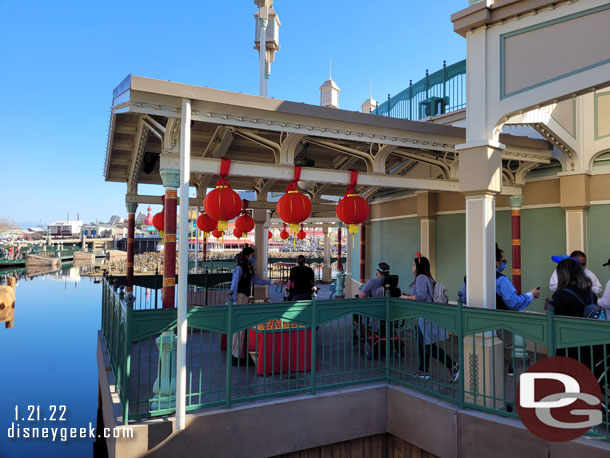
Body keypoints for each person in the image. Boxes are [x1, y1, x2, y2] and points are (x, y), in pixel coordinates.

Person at [460, 244, 540, 376]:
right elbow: (514, 303)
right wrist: (531, 294)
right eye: (503, 261)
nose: (504, 264)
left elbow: (463, 298)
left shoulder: (468, 277)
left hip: (475, 323)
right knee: (503, 352)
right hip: (500, 324)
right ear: (495, 261)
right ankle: (499, 377)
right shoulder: (501, 280)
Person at [401, 255, 458, 382]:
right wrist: (410, 295)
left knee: (428, 347)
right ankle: (423, 371)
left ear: (418, 266)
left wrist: (405, 297)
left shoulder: (421, 277)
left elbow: (421, 296)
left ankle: (453, 365)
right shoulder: (426, 278)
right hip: (425, 316)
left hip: (426, 316)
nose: (412, 266)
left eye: (413, 264)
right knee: (423, 345)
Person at [229, 246, 280, 366]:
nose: (254, 258)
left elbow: (257, 280)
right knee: (239, 328)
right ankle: (235, 356)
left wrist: (272, 282)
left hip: (245, 297)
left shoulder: (248, 268)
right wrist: (233, 299)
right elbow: (234, 283)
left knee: (242, 328)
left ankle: (238, 354)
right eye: (252, 256)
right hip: (240, 297)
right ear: (247, 256)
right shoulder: (239, 268)